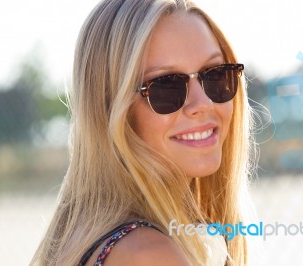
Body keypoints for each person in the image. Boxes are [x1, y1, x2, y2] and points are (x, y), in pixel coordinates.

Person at [32, 0, 255, 265]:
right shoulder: (149, 255)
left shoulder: (88, 236)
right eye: (167, 86)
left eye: (216, 75)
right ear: (111, 109)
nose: (204, 104)